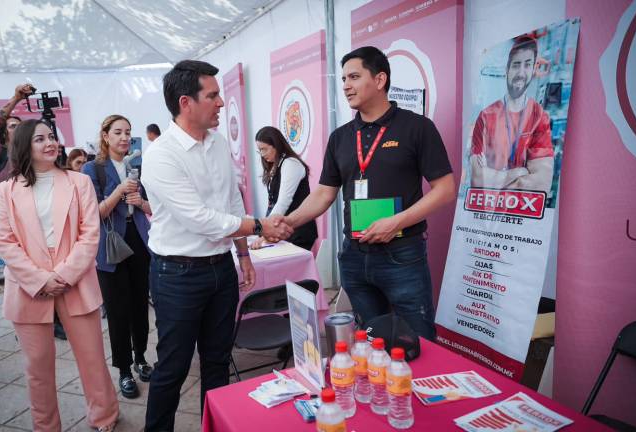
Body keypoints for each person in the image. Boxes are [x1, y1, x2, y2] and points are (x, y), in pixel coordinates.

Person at [140, 60, 292, 431]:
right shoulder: (160, 156)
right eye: (213, 95)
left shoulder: (218, 142)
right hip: (178, 274)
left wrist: (243, 254)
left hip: (221, 268)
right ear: (185, 102)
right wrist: (260, 225)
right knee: (173, 368)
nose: (221, 102)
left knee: (217, 361)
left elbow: (231, 202)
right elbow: (201, 219)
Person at [281, 46, 455, 340]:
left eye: (354, 76)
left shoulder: (417, 128)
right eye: (344, 79)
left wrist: (396, 222)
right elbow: (324, 194)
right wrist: (289, 223)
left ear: (379, 80)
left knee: (419, 340)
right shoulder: (340, 138)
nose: (346, 85)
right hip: (354, 256)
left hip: (402, 254)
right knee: (373, 340)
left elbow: (446, 190)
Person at [0, 119, 118, 432]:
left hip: (75, 282)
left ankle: (104, 416)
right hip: (27, 287)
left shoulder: (78, 182)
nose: (50, 143)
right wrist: (38, 279)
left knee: (92, 360)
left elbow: (90, 233)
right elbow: (5, 241)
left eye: (52, 137)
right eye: (40, 139)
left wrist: (62, 275)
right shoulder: (6, 190)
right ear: (24, 145)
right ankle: (46, 426)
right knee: (38, 368)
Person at [82, 115, 154, 399]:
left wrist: (140, 202)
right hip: (110, 246)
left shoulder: (133, 166)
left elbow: (146, 207)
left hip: (138, 241)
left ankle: (141, 358)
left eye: (128, 132)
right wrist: (120, 191)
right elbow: (94, 213)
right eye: (118, 132)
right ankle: (124, 369)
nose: (124, 138)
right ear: (105, 136)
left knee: (140, 307)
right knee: (118, 311)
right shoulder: (92, 169)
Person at [470, 35, 554, 194]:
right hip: (488, 214)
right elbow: (477, 179)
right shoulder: (486, 117)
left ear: (534, 68)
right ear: (507, 70)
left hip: (524, 214)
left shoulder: (538, 116)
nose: (521, 73)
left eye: (527, 65)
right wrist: (517, 173)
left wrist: (495, 179)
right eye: (516, 65)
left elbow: (542, 183)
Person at [251, 126, 318, 251]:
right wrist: (263, 232)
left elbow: (283, 202)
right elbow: (273, 204)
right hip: (284, 230)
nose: (262, 154)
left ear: (276, 145)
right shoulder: (275, 165)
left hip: (298, 231)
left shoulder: (291, 163)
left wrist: (266, 232)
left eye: (264, 149)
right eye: (259, 150)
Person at [0, 83, 32, 213]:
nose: (19, 129)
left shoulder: (32, 155)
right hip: (6, 223)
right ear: (3, 133)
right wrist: (16, 98)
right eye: (13, 126)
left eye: (21, 126)